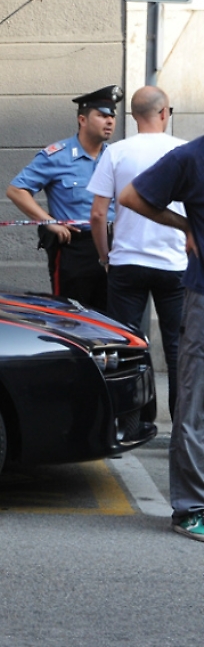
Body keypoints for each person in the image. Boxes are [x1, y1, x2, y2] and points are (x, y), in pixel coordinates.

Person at [119, 138, 204, 541]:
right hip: (202, 299)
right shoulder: (191, 156)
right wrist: (184, 225)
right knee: (194, 405)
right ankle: (192, 508)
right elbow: (131, 195)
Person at [88, 86, 185, 413]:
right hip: (176, 264)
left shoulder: (115, 152)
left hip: (127, 262)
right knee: (178, 349)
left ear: (132, 115)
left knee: (125, 348)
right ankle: (181, 427)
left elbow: (98, 214)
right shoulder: (183, 152)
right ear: (164, 113)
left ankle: (129, 422)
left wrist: (105, 257)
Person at [6, 85, 121, 312]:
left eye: (112, 117)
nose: (109, 122)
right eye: (102, 115)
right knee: (70, 316)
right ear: (82, 119)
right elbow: (16, 190)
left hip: (114, 245)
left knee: (112, 318)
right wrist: (49, 221)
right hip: (75, 248)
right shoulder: (58, 155)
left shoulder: (116, 157)